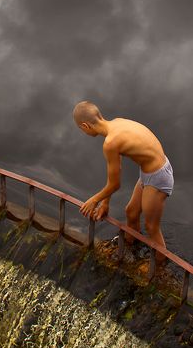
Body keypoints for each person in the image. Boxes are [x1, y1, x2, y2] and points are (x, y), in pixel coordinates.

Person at [73, 100, 174, 267]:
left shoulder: (110, 143)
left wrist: (94, 200)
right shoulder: (117, 123)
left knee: (151, 227)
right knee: (131, 213)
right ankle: (129, 247)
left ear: (85, 126)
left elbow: (116, 185)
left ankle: (159, 269)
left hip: (157, 177)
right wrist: (105, 203)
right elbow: (113, 178)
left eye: (80, 129)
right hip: (150, 170)